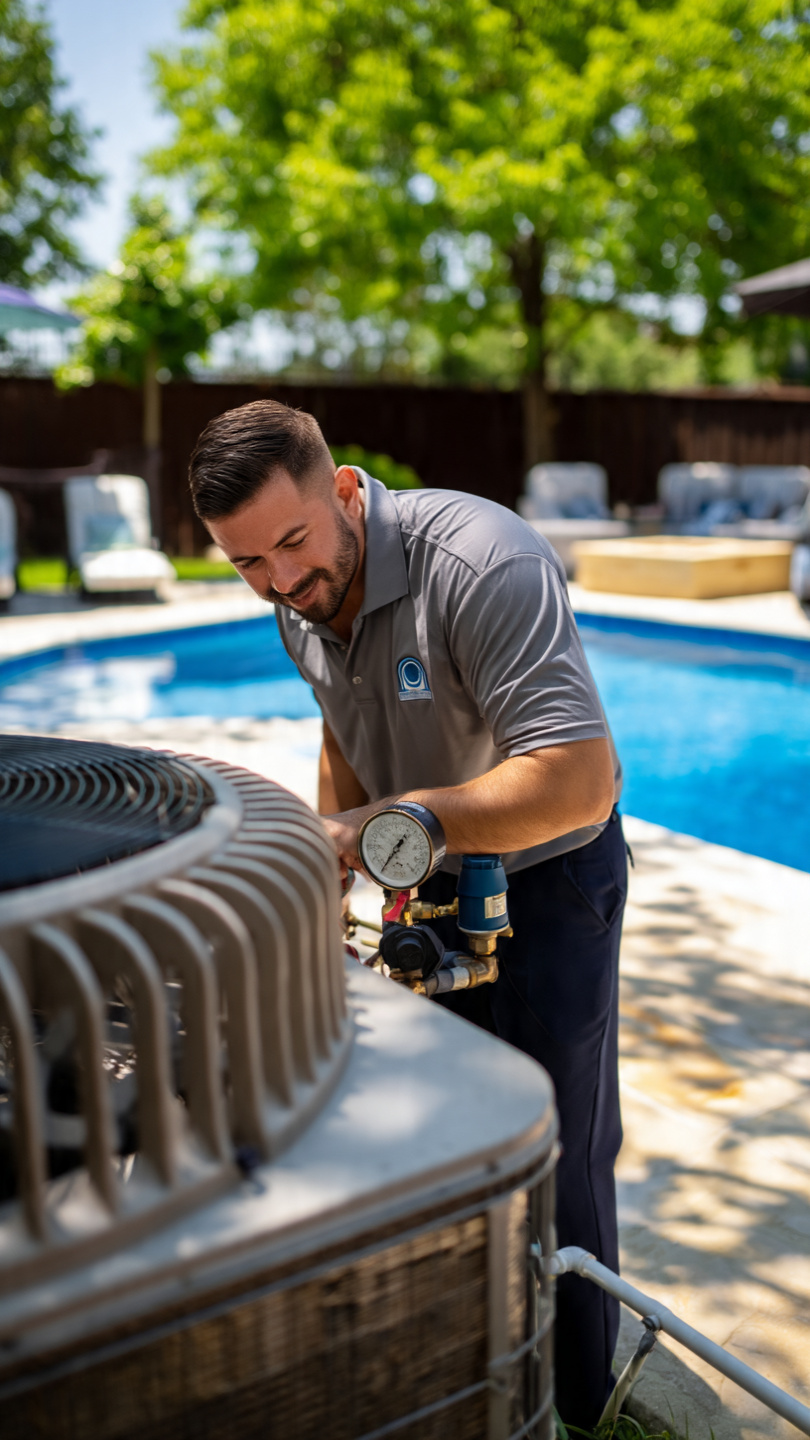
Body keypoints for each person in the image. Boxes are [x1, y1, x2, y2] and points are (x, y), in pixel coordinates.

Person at [188, 398, 627, 1431]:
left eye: (292, 544)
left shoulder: (484, 563)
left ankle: (579, 1400)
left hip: (550, 882)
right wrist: (337, 854)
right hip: (418, 870)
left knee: (555, 1157)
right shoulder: (296, 584)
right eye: (248, 564)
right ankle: (466, 1372)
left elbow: (582, 779)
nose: (281, 583)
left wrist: (398, 821)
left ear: (345, 491)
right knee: (438, 1139)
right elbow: (347, 725)